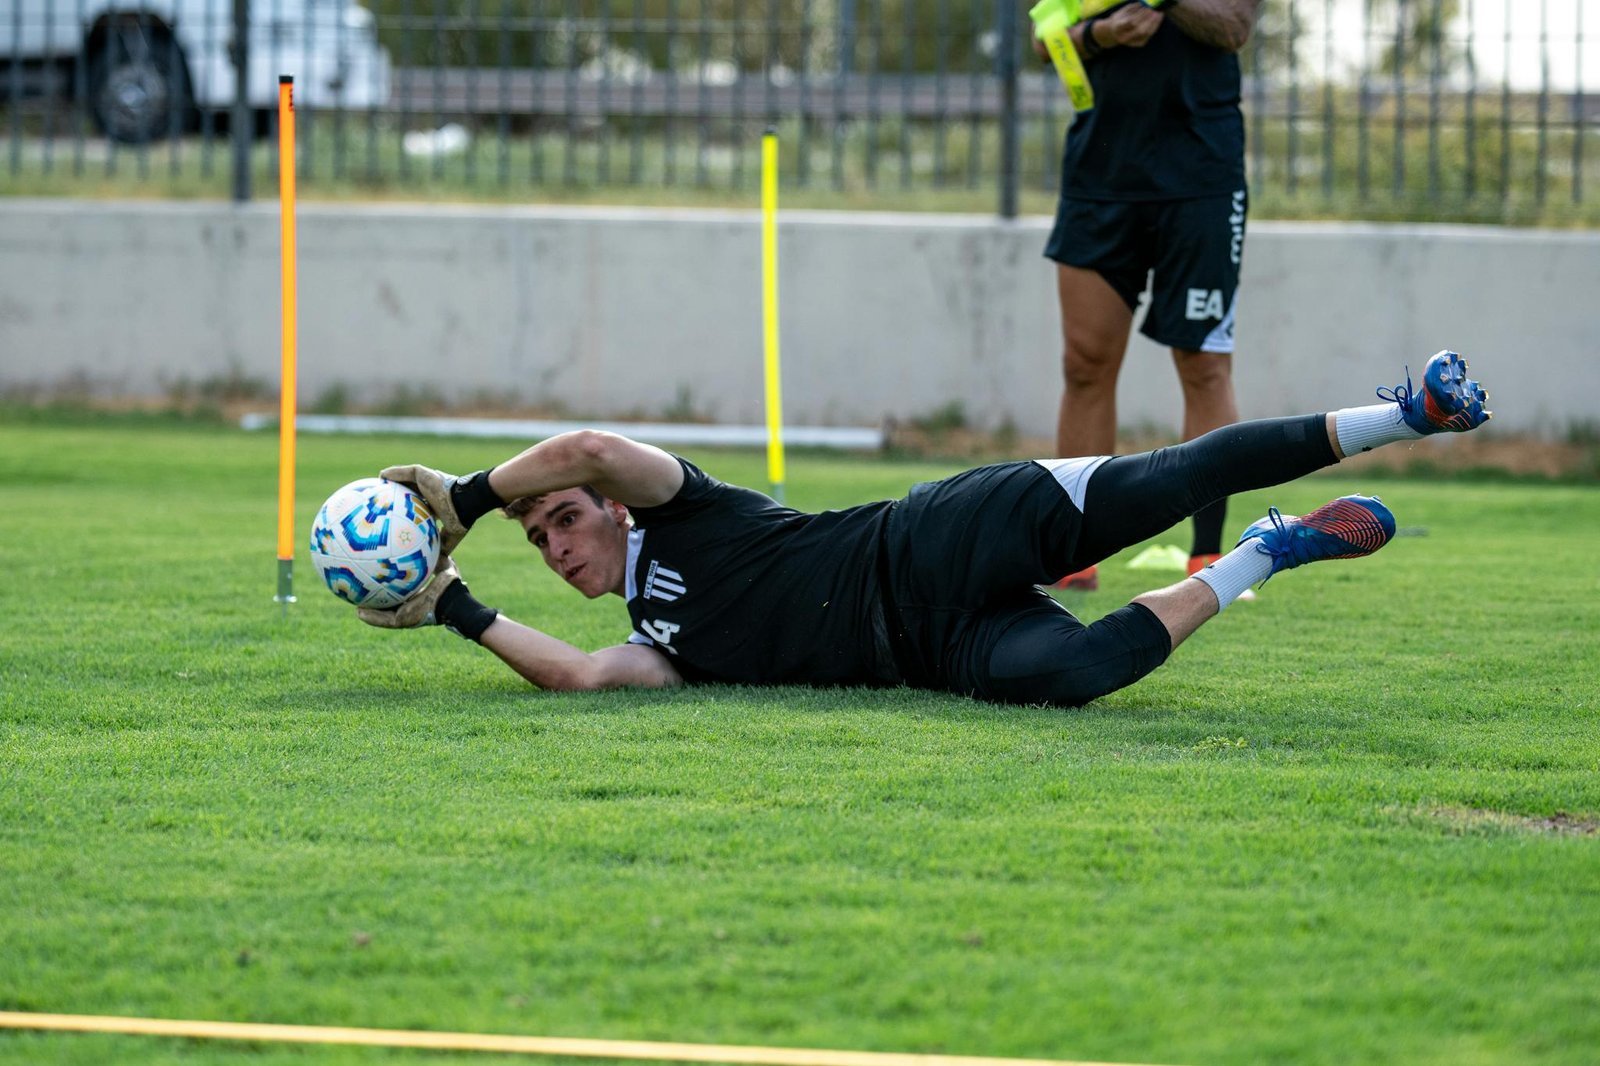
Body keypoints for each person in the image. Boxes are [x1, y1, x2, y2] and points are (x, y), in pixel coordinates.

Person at [356, 351, 1489, 708]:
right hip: (931, 655)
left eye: (559, 520)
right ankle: (1272, 547)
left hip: (936, 539)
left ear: (609, 507)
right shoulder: (658, 643)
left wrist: (462, 501)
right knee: (1082, 671)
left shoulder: (677, 503)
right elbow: (582, 677)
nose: (554, 545)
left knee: (1168, 474)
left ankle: (1404, 411)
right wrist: (451, 606)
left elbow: (589, 445)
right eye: (537, 541)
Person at [1040, 0, 1262, 590]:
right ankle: (1074, 554)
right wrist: (1100, 31)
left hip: (1201, 181)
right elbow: (1046, 38)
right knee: (1084, 364)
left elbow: (1233, 26)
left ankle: (1210, 562)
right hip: (1100, 177)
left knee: (1204, 365)